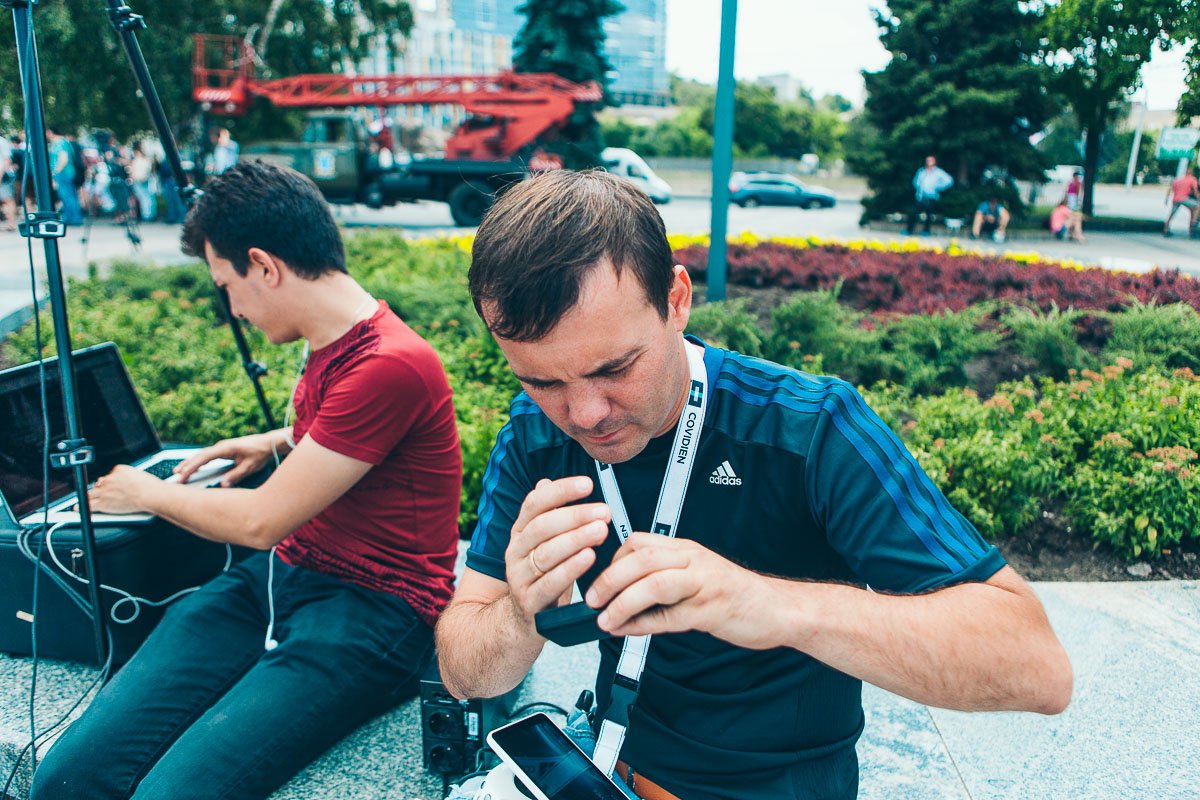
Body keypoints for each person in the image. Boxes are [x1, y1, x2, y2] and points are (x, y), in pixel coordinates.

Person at [435, 170, 1073, 800]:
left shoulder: (806, 428)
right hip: (604, 769)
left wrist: (768, 605)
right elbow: (463, 670)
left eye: (615, 368)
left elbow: (1036, 667)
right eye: (541, 382)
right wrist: (520, 615)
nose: (584, 415)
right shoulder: (534, 437)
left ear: (677, 299)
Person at [29, 161, 464, 800]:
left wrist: (142, 492)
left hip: (372, 610)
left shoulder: (392, 363)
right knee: (67, 779)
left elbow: (261, 521)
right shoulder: (337, 339)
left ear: (265, 265)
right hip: (284, 577)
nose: (231, 305)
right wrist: (276, 441)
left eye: (226, 284)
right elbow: (353, 437)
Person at [904, 154, 953, 235]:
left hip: (931, 196)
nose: (929, 162)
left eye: (931, 160)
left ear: (934, 162)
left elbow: (949, 180)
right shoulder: (921, 171)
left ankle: (926, 231)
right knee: (913, 212)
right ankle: (909, 230)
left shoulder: (938, 172)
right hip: (921, 196)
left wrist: (938, 187)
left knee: (929, 215)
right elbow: (915, 181)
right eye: (928, 160)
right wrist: (919, 188)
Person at [46, 128, 83, 225]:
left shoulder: (59, 143)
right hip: (66, 172)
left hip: (63, 172)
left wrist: (56, 171)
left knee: (67, 195)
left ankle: (74, 217)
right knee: (68, 195)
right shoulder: (64, 142)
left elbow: (64, 158)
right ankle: (70, 216)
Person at [1163, 166, 1199, 237]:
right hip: (1184, 198)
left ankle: (1166, 229)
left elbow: (1170, 190)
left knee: (1172, 214)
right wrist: (1198, 198)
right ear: (1192, 173)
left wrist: (1166, 199)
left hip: (1175, 199)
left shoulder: (1178, 180)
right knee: (1197, 206)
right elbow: (1195, 191)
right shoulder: (1193, 180)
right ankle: (1194, 222)